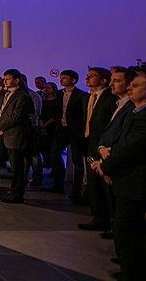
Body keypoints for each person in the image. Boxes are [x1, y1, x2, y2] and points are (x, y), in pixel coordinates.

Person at [91, 73, 146, 281]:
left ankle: (135, 274)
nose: (130, 88)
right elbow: (120, 142)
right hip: (131, 184)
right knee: (129, 235)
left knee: (133, 235)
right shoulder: (139, 113)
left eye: (136, 85)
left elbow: (131, 150)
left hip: (141, 186)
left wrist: (106, 167)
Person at [0, 68, 35, 203]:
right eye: (4, 79)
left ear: (16, 80)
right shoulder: (4, 94)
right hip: (0, 134)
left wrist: (0, 126)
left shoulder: (23, 96)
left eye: (8, 79)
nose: (4, 81)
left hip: (14, 134)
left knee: (16, 166)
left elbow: (16, 117)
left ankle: (16, 194)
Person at [97, 68, 137, 240]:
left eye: (117, 81)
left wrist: (108, 161)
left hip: (119, 164)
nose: (112, 84)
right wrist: (101, 148)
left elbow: (125, 139)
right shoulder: (119, 104)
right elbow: (108, 132)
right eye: (112, 80)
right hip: (108, 157)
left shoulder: (132, 108)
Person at [80, 67, 116, 231]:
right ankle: (98, 217)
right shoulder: (88, 97)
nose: (88, 78)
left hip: (103, 145)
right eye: (87, 76)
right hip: (89, 143)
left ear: (104, 80)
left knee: (105, 185)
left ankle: (111, 221)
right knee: (93, 183)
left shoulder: (110, 98)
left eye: (92, 76)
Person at [49, 69, 89, 198]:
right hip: (62, 130)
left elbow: (84, 115)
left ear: (73, 80)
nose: (61, 80)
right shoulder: (59, 94)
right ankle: (58, 185)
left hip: (76, 132)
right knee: (54, 155)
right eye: (61, 77)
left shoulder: (82, 95)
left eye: (64, 78)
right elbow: (57, 111)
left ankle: (76, 191)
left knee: (77, 161)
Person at [38, 82, 60, 175]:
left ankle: (55, 170)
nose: (46, 89)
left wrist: (45, 124)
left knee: (53, 150)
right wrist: (41, 125)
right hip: (43, 127)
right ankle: (47, 166)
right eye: (45, 88)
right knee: (44, 148)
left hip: (53, 128)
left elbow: (55, 115)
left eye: (48, 88)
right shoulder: (43, 101)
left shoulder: (57, 101)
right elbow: (40, 114)